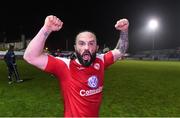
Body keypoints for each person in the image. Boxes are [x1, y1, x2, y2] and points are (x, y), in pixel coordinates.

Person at [23, 15, 129, 117]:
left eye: (91, 43)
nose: (86, 48)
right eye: (81, 43)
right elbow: (30, 56)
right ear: (75, 48)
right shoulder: (65, 66)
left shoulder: (101, 61)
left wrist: (124, 31)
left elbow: (121, 50)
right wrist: (46, 28)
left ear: (97, 48)